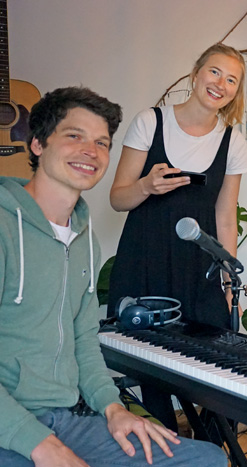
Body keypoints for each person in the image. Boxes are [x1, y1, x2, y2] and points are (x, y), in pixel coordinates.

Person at [0, 87, 228, 466]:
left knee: (205, 460)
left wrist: (113, 408)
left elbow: (85, 342)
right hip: (10, 424)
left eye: (102, 142)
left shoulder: (84, 239)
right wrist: (42, 445)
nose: (91, 151)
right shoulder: (6, 227)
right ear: (38, 144)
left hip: (66, 418)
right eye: (75, 136)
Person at [108, 43, 247, 430]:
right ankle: (161, 448)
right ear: (196, 74)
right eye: (215, 72)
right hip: (145, 261)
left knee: (216, 368)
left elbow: (226, 216)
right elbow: (118, 198)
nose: (220, 83)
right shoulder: (150, 121)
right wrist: (147, 186)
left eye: (232, 79)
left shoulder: (232, 140)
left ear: (236, 91)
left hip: (199, 270)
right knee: (150, 372)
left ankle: (210, 451)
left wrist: (226, 276)